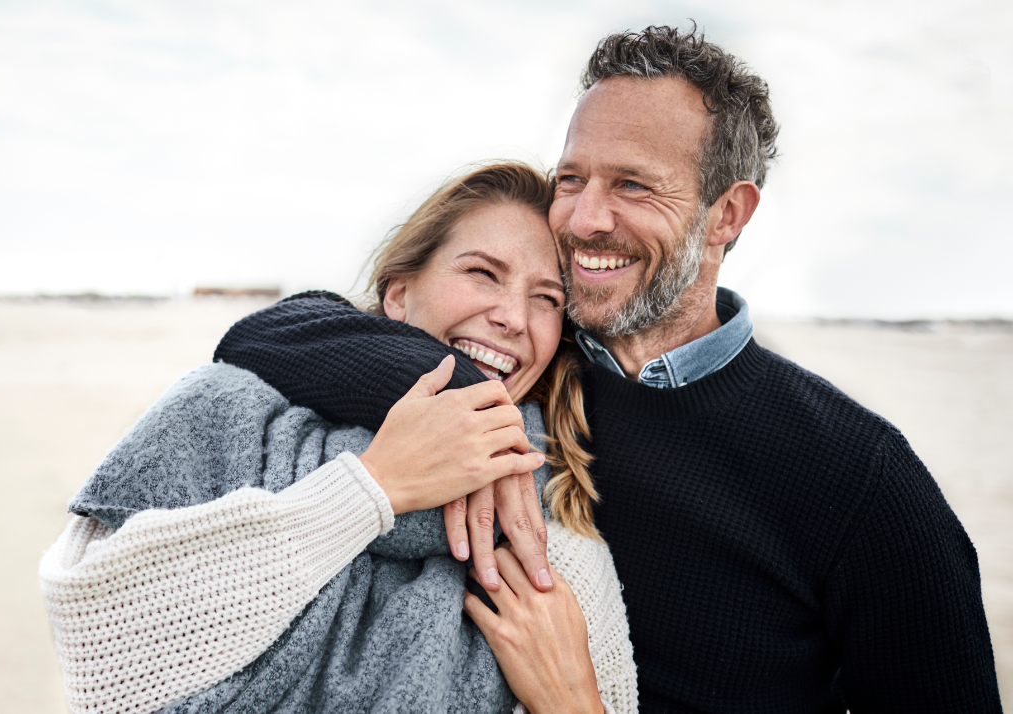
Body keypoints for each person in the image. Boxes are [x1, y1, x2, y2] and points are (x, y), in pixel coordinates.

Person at [219, 26, 1002, 713]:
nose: (585, 218)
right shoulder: (527, 364)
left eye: (632, 184)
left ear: (726, 215)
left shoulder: (859, 478)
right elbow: (267, 336)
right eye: (571, 179)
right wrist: (471, 403)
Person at [40, 163, 635, 714]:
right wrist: (372, 488)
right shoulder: (225, 406)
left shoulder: (550, 513)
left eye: (547, 299)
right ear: (399, 293)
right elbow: (94, 648)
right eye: (482, 273)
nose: (513, 317)